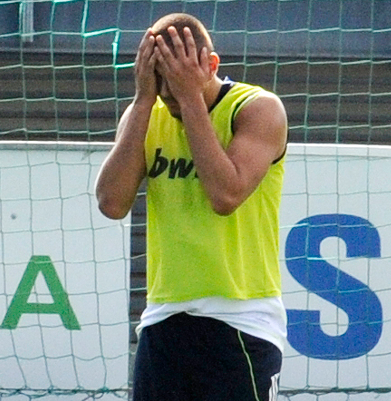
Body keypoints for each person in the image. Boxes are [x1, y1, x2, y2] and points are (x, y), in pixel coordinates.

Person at [95, 13, 288, 401]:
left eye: (177, 83)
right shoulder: (148, 112)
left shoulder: (257, 109)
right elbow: (111, 203)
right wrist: (143, 100)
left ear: (211, 64)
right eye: (161, 86)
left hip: (241, 320)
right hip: (164, 317)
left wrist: (189, 99)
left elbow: (225, 196)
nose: (170, 97)